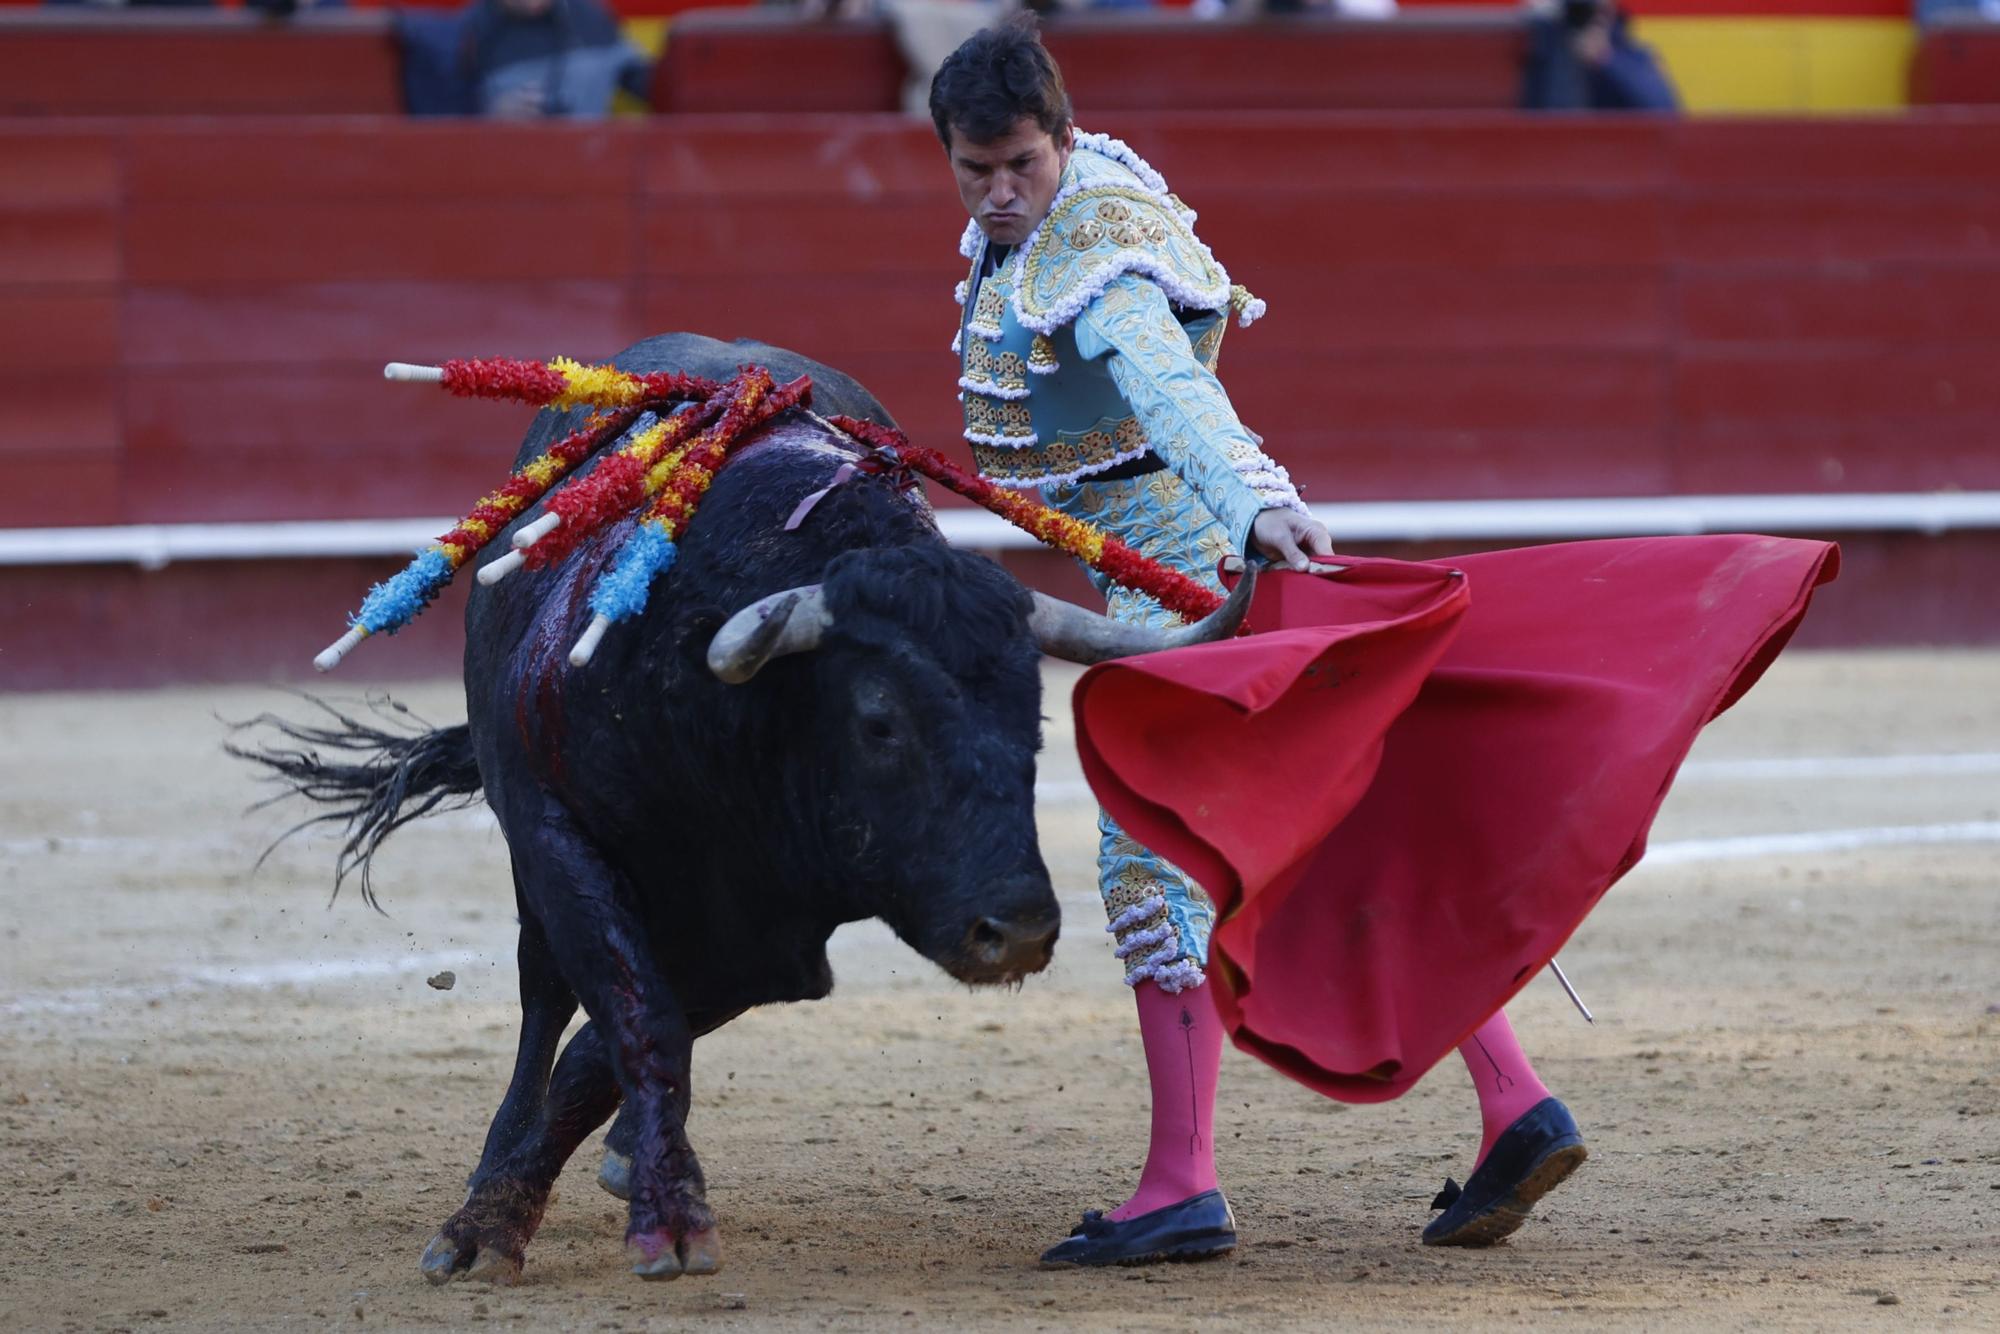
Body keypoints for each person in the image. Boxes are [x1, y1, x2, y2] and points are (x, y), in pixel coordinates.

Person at [929, 15, 1587, 1267]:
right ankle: (1517, 1104)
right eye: (976, 172)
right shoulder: (1055, 206)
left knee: (1151, 869)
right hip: (1195, 584)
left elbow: (1175, 392)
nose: (1002, 193)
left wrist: (1254, 501)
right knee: (1330, 846)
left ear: (1061, 138)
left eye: (1020, 164)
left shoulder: (1095, 260)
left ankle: (1180, 1181)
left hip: (1191, 609)